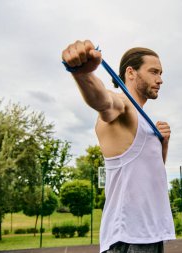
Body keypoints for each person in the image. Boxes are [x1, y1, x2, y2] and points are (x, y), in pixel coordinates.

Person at [62, 40, 175, 253]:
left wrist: (164, 143)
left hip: (150, 235)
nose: (160, 80)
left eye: (161, 73)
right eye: (154, 72)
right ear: (130, 73)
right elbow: (104, 102)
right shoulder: (123, 106)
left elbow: (153, 173)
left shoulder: (145, 121)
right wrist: (82, 74)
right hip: (128, 239)